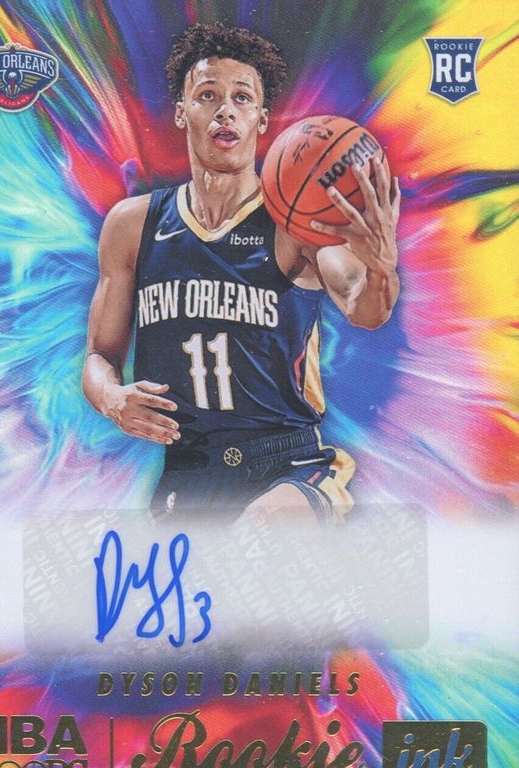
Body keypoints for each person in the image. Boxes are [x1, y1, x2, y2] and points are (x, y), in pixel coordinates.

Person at [82, 22, 400, 527]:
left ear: (262, 119)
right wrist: (112, 398)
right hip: (189, 469)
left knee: (262, 531)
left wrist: (380, 266)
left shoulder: (295, 222)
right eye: (208, 95)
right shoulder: (131, 225)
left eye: (242, 98)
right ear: (182, 112)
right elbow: (100, 356)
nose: (225, 110)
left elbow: (362, 306)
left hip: (288, 465)